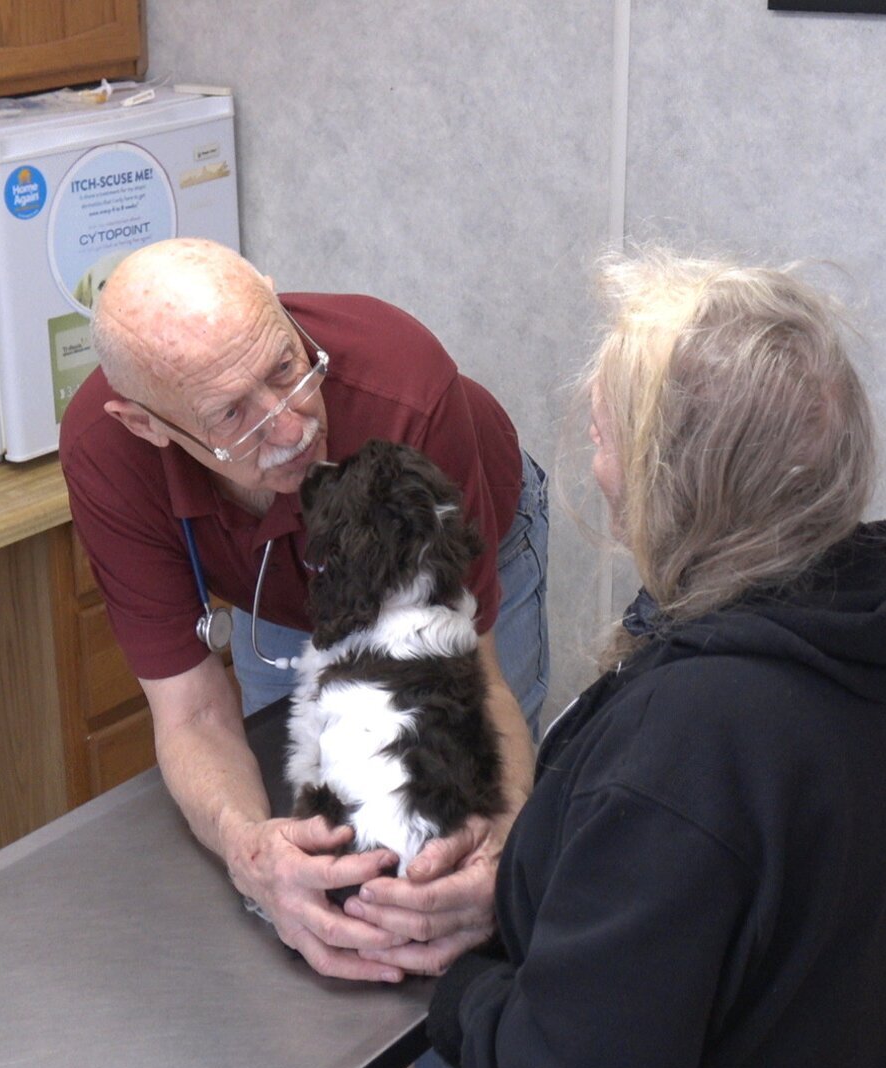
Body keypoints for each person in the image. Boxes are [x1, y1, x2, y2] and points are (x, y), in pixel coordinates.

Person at [424, 251, 886, 1068]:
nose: (598, 471)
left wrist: (466, 993)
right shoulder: (878, 645)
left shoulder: (687, 741)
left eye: (606, 442)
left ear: (676, 481)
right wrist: (525, 897)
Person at [59, 238, 550, 988]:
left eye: (287, 369)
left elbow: (474, 684)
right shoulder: (107, 453)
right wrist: (251, 852)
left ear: (273, 296)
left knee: (459, 875)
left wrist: (503, 845)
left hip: (431, 579)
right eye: (233, 414)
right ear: (147, 425)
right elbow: (192, 715)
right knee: (304, 872)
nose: (293, 429)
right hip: (274, 595)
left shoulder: (406, 391)